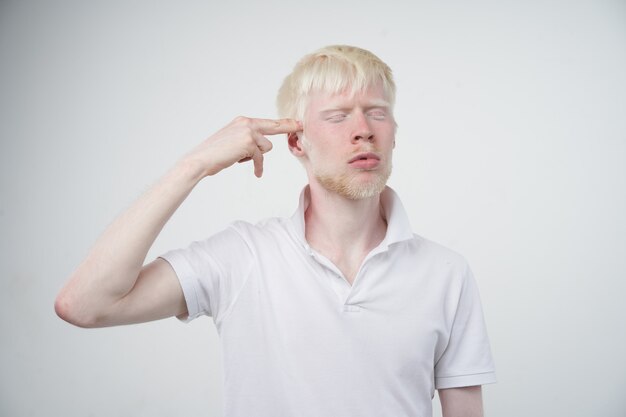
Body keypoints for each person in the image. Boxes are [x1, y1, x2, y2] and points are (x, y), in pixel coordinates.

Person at [55, 45, 496, 417]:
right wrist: (194, 166)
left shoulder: (446, 273)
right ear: (296, 141)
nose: (363, 131)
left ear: (394, 134)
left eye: (376, 113)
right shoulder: (243, 256)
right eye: (338, 116)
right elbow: (85, 304)